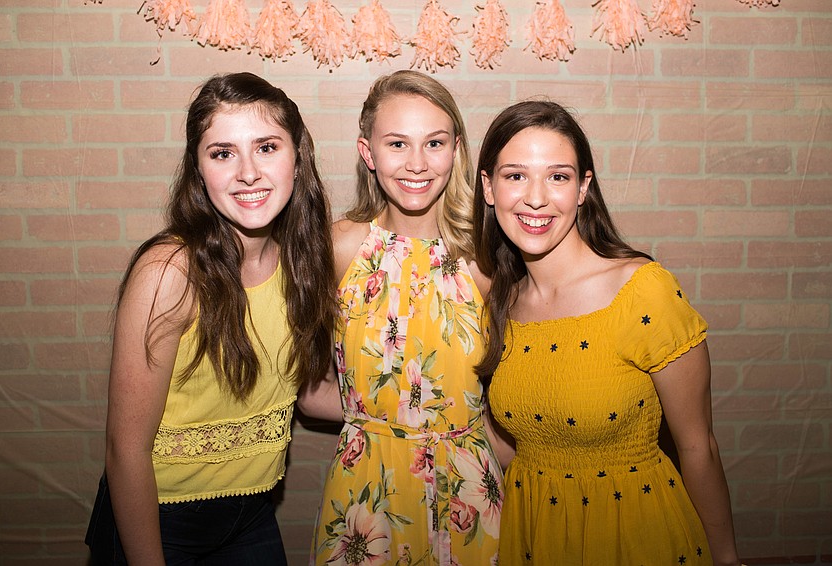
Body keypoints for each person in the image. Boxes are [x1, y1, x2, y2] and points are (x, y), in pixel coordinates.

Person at [473, 100, 742, 565]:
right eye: (515, 175)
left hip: (635, 536)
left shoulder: (643, 292)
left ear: (583, 189)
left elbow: (698, 447)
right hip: (536, 536)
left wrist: (726, 559)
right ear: (488, 188)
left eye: (558, 176)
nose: (536, 197)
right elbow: (517, 441)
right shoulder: (502, 304)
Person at [84, 72, 337, 565]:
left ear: (297, 156)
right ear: (199, 170)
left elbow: (303, 391)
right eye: (222, 153)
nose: (248, 172)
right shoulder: (170, 272)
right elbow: (125, 449)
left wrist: (422, 414)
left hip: (252, 513)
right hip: (157, 520)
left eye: (266, 147)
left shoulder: (303, 260)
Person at [303, 70, 504, 566]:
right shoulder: (338, 248)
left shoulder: (486, 261)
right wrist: (380, 421)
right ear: (368, 153)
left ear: (456, 149)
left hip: (470, 490)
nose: (417, 163)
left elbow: (510, 394)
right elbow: (307, 389)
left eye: (434, 143)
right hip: (366, 486)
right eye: (397, 143)